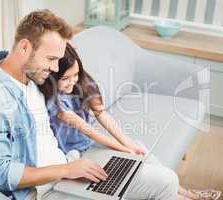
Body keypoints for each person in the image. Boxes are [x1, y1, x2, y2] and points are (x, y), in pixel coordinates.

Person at [0, 9, 220, 200]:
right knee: (164, 182)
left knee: (154, 171)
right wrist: (67, 170)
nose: (54, 68)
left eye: (57, 60)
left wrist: (74, 165)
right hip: (44, 190)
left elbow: (74, 99)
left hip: (70, 165)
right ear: (24, 47)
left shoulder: (32, 79)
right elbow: (1, 174)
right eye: (51, 59)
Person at [39, 42, 221, 200]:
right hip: (75, 155)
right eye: (65, 78)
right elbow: (88, 129)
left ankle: (185, 193)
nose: (72, 82)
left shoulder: (81, 84)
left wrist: (129, 145)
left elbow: (103, 116)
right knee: (134, 156)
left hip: (88, 145)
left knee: (140, 150)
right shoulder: (55, 104)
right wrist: (123, 149)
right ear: (53, 77)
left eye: (75, 74)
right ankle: (185, 196)